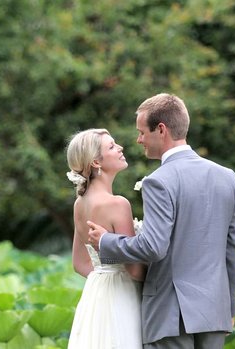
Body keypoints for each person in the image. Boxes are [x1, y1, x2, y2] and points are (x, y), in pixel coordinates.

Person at [88, 93, 235, 348]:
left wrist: (107, 241)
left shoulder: (159, 181)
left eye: (141, 132)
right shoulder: (227, 177)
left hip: (172, 314)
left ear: (161, 130)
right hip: (216, 312)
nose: (139, 140)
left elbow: (153, 246)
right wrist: (229, 307)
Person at [64, 128, 145, 349]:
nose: (120, 148)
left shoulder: (80, 204)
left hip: (96, 297)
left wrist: (105, 276)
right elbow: (135, 269)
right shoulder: (117, 204)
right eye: (111, 146)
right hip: (122, 296)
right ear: (96, 163)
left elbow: (79, 263)